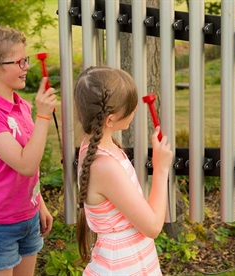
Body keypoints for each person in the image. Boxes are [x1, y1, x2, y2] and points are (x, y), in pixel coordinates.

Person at [0, 17, 56, 275]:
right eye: (19, 62)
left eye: (25, 60)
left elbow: (29, 168)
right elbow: (26, 165)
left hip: (27, 218)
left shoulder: (22, 106)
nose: (26, 67)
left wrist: (39, 203)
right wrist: (43, 116)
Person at [74, 66, 174, 275]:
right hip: (121, 266)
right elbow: (153, 227)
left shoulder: (95, 145)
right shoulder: (104, 165)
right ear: (109, 119)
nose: (135, 110)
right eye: (130, 106)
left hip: (129, 257)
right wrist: (160, 169)